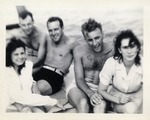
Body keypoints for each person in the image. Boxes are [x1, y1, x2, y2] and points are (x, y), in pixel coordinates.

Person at [5, 38, 67, 113]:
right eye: (16, 54)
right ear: (9, 55)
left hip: (26, 101)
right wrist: (52, 101)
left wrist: (34, 83)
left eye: (22, 53)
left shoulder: (27, 66)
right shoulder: (6, 71)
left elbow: (28, 83)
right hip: (9, 104)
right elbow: (17, 96)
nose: (20, 57)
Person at [66, 18, 114, 113]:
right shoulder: (79, 51)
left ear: (103, 34)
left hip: (103, 88)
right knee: (83, 103)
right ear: (85, 39)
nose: (95, 43)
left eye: (97, 38)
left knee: (100, 105)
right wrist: (90, 93)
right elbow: (79, 78)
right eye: (90, 40)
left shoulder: (113, 51)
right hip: (81, 87)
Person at [98, 30, 143, 113]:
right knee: (131, 109)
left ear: (137, 48)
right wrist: (117, 99)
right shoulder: (111, 62)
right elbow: (101, 90)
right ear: (119, 50)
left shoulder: (144, 63)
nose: (129, 52)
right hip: (117, 95)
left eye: (132, 46)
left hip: (138, 95)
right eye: (125, 47)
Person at [33, 17, 79, 96]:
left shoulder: (72, 43)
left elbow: (84, 58)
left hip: (55, 76)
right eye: (50, 30)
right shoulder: (46, 40)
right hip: (40, 70)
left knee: (36, 90)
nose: (53, 33)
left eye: (56, 29)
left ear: (62, 28)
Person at [6, 10, 48, 74]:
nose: (27, 28)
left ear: (33, 22)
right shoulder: (17, 35)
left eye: (29, 24)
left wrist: (25, 68)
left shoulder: (42, 35)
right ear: (20, 25)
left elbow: (40, 59)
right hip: (24, 63)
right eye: (23, 25)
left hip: (38, 66)